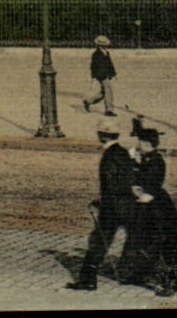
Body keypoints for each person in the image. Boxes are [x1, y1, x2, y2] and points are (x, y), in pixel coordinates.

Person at [118, 121, 177, 296]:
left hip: (158, 209)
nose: (138, 145)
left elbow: (152, 185)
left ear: (147, 144)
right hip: (150, 207)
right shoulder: (145, 159)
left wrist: (138, 189)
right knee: (144, 241)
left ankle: (175, 281)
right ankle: (140, 273)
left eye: (141, 142)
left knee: (167, 243)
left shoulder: (156, 161)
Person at [67, 119, 139, 291]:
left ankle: (88, 280)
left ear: (102, 136)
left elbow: (111, 184)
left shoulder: (108, 157)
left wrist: (102, 203)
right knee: (136, 240)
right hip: (129, 205)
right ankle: (133, 274)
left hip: (111, 208)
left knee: (98, 243)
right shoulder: (123, 152)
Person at [83, 36, 116, 115]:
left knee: (103, 93)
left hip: (106, 75)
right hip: (101, 75)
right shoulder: (96, 54)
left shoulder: (106, 53)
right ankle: (109, 110)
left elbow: (110, 64)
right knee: (108, 91)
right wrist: (95, 76)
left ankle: (88, 101)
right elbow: (93, 66)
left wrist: (113, 73)